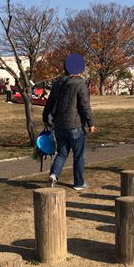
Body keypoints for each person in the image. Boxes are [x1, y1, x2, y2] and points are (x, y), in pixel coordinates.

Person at [43, 53, 96, 191]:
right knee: (79, 155)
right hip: (76, 126)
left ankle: (54, 174)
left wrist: (45, 118)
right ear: (80, 69)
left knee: (62, 153)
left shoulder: (57, 84)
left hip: (59, 125)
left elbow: (49, 103)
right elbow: (84, 106)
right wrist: (91, 123)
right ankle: (79, 183)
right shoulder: (81, 84)